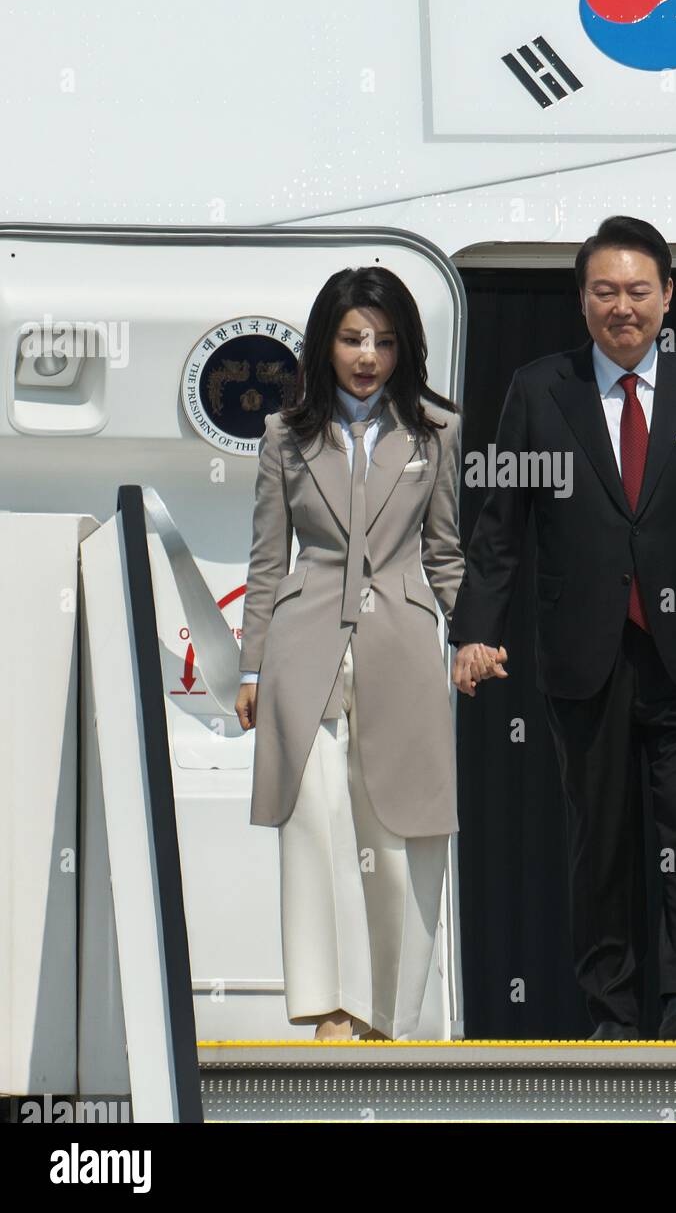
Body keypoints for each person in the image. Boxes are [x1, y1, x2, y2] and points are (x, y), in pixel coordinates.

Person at [449, 216, 676, 1041]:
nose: (622, 307)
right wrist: (474, 631)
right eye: (604, 291)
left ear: (667, 296)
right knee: (598, 839)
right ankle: (611, 1011)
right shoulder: (539, 388)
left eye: (638, 290)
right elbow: (500, 525)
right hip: (583, 650)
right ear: (581, 300)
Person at [235, 266, 492, 1041]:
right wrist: (250, 667)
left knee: (397, 826)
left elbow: (444, 551)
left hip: (404, 645)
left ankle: (391, 1014)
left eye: (382, 339)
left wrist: (471, 631)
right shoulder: (285, 435)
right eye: (352, 338)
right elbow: (265, 560)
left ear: (403, 346)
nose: (367, 354)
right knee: (313, 819)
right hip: (300, 644)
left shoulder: (436, 430)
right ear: (326, 344)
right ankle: (329, 1007)